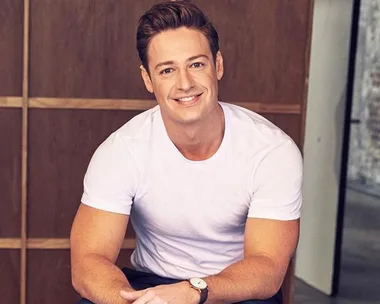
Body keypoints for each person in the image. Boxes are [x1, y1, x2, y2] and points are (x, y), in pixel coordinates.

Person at [70, 1, 303, 304]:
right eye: (167, 70)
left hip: (232, 287)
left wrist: (195, 292)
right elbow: (89, 259)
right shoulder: (122, 150)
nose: (184, 83)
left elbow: (267, 267)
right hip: (150, 283)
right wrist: (132, 302)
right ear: (147, 80)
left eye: (196, 64)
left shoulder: (271, 150)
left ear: (217, 65)